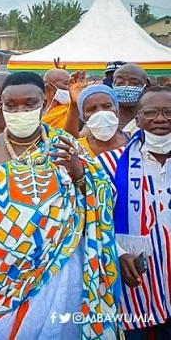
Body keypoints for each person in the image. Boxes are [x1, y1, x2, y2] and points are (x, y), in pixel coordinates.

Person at [0, 72, 120, 339]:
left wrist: (77, 171)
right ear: (1, 107)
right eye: (12, 105)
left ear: (45, 104)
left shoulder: (64, 145)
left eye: (30, 104)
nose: (21, 111)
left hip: (58, 264)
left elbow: (104, 195)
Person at [97, 86, 171, 340]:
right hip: (136, 286)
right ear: (136, 119)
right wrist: (118, 253)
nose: (160, 119)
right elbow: (96, 219)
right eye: (151, 112)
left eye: (169, 113)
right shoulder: (108, 164)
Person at [77, 84, 129, 156]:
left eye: (107, 106)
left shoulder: (136, 141)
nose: (100, 112)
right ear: (83, 116)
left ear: (117, 110)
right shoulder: (78, 149)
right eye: (91, 109)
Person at [112, 63, 149, 135]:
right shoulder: (106, 117)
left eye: (134, 83)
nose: (126, 86)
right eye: (120, 83)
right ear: (113, 85)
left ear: (146, 87)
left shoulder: (153, 118)